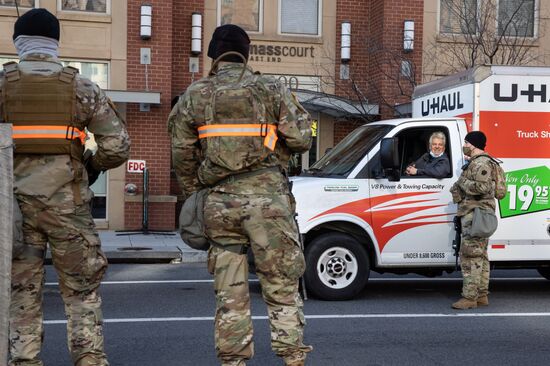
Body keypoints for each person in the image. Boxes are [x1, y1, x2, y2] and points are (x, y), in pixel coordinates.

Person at [168, 24, 313, 366]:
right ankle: (292, 357)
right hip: (269, 204)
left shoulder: (195, 94)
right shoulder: (271, 89)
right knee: (280, 285)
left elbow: (181, 154)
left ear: (212, 55)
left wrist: (196, 194)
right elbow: (302, 138)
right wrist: (270, 145)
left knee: (230, 294)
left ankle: (233, 361)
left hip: (219, 204)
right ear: (246, 55)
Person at [2, 9, 130, 365]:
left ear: (18, 42)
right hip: (68, 209)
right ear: (56, 43)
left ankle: (24, 360)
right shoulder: (81, 87)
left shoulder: (2, 85)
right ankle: (88, 360)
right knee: (81, 293)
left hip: (13, 212)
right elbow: (117, 146)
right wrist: (89, 167)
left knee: (21, 296)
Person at [450, 131, 497, 310]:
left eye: (466, 143)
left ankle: (469, 298)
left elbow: (482, 187)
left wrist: (462, 183)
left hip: (475, 214)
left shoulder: (481, 163)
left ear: (473, 144)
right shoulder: (478, 162)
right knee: (481, 255)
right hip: (477, 214)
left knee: (470, 256)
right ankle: (482, 295)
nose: (465, 146)